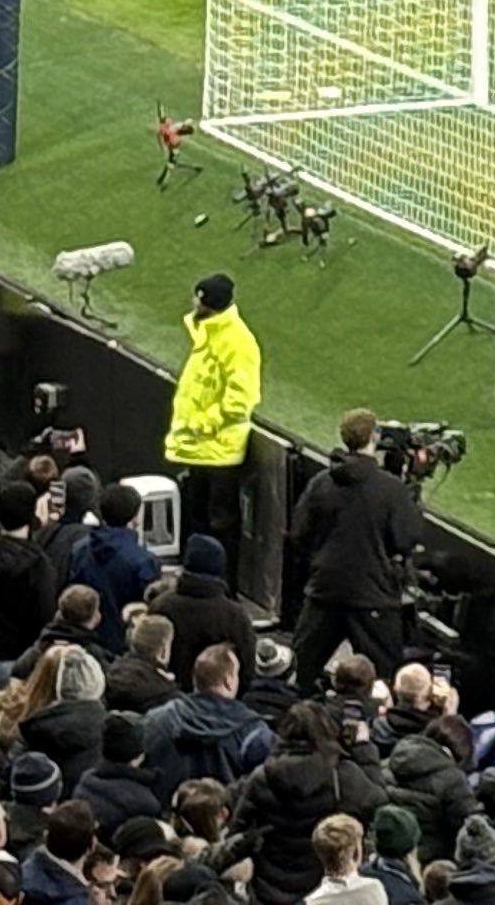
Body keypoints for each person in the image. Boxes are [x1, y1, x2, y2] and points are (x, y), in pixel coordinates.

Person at [284, 409, 417, 686]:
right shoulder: (391, 489)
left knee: (300, 673)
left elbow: (298, 534)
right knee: (385, 681)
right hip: (372, 596)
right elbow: (405, 540)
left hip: (325, 590)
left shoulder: (321, 483)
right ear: (374, 437)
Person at [164, 272, 261, 566]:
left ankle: (221, 583)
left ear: (208, 304)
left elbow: (240, 401)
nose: (193, 302)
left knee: (219, 525)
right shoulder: (207, 333)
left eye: (198, 298)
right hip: (199, 448)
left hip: (219, 451)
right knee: (197, 521)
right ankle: (195, 576)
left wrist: (202, 424)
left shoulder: (239, 343)